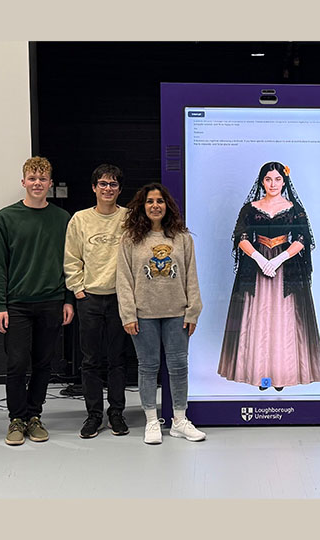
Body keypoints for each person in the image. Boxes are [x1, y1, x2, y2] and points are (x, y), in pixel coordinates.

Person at [217, 162, 320, 390]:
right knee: (258, 318)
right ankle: (261, 374)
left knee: (283, 319)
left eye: (277, 179)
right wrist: (260, 259)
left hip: (286, 267)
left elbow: (302, 239)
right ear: (262, 181)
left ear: (284, 181)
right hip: (255, 267)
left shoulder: (294, 208)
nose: (273, 184)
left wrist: (277, 260)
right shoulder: (250, 208)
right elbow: (241, 236)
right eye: (268, 179)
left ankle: (280, 375)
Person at [0, 157, 74, 446]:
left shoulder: (62, 219)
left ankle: (34, 416)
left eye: (43, 179)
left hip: (52, 301)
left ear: (50, 183)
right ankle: (16, 418)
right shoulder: (6, 217)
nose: (37, 183)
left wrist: (68, 299)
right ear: (23, 181)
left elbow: (70, 262)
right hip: (17, 304)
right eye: (32, 178)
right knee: (16, 364)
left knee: (43, 363)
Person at [117, 183, 204, 445]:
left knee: (179, 367)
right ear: (142, 206)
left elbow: (191, 276)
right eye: (150, 201)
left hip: (177, 313)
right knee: (147, 367)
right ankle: (152, 421)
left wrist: (193, 311)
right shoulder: (130, 239)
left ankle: (179, 420)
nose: (155, 206)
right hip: (143, 314)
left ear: (167, 205)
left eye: (160, 201)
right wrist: (128, 314)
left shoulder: (182, 238)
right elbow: (124, 279)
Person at [64, 164, 130, 439]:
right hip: (89, 298)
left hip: (119, 299)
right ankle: (93, 415)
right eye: (102, 183)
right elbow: (71, 257)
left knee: (117, 360)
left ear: (119, 189)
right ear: (94, 188)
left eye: (113, 184)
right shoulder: (80, 219)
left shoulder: (129, 218)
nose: (107, 189)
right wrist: (78, 289)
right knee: (90, 361)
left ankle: (116, 413)